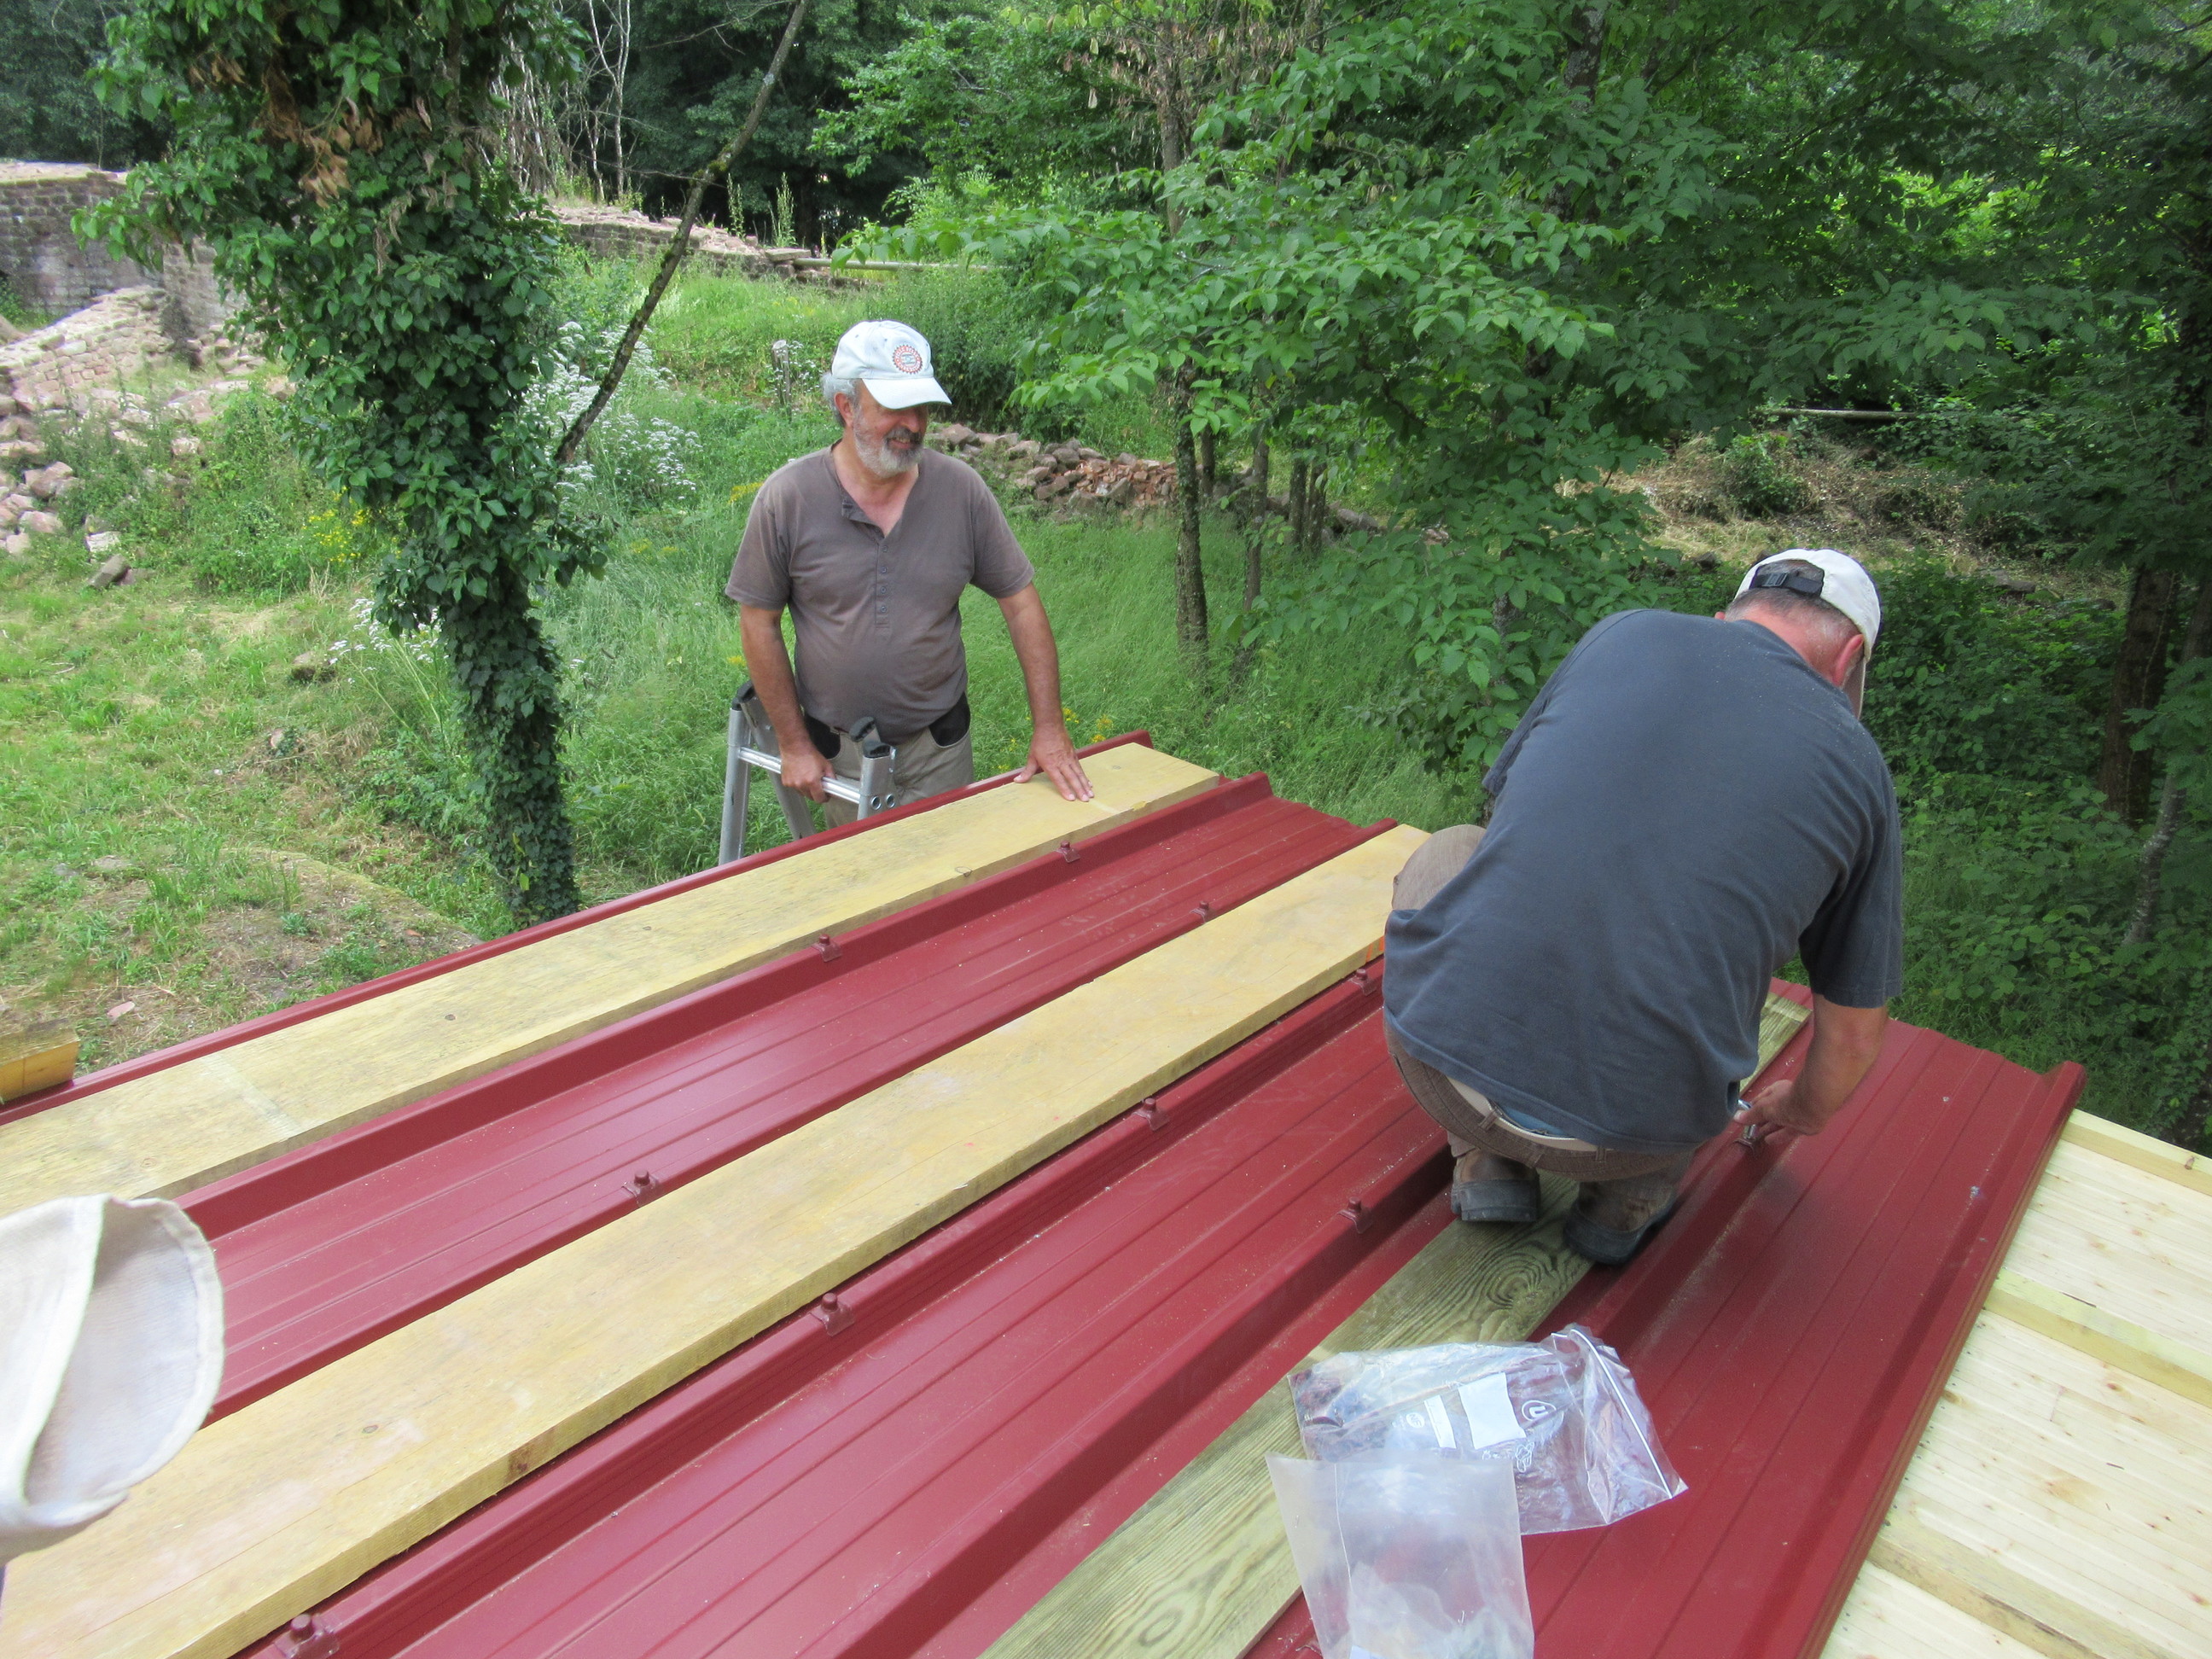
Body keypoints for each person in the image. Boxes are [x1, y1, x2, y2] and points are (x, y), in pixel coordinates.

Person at [1381, 550, 1903, 1265]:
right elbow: (1853, 1038)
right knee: (1711, 970)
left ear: (1724, 619)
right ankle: (1623, 1205)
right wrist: (1799, 1110)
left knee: (1450, 850)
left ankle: (1485, 1160)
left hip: (1446, 1078)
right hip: (1638, 1137)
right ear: (1848, 659)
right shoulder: (1859, 768)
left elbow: (1510, 834)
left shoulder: (1623, 633)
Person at [726, 319, 1092, 823]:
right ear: (847, 406)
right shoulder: (788, 498)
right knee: (862, 872)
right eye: (895, 408)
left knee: (953, 867)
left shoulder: (960, 491)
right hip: (840, 760)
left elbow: (1021, 604)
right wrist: (792, 743)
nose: (915, 425)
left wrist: (1049, 728)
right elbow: (758, 622)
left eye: (921, 407)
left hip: (939, 751)